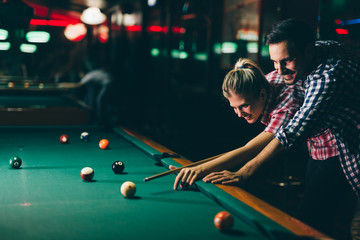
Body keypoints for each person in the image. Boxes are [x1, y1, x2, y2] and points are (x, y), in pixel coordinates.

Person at [196, 19, 360, 239]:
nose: (280, 70)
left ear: (308, 51)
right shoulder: (312, 51)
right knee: (326, 223)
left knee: (308, 224)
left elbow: (290, 134)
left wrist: (243, 173)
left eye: (287, 60)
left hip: (347, 146)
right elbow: (269, 81)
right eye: (275, 61)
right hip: (321, 146)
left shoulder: (326, 78)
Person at [173, 57, 304, 190]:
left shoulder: (286, 107)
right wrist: (192, 168)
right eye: (234, 107)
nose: (240, 114)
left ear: (262, 95)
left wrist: (200, 169)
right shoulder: (259, 82)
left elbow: (250, 150)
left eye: (244, 106)